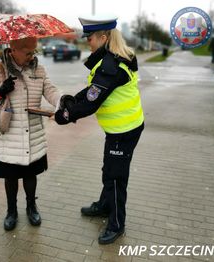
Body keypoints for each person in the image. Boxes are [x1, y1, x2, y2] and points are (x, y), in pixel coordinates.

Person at [55, 16, 144, 244]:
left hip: (123, 131)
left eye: (91, 38)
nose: (89, 42)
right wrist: (72, 100)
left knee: (115, 177)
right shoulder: (112, 58)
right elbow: (93, 89)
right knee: (109, 169)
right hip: (121, 128)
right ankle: (105, 206)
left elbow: (93, 101)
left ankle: (116, 224)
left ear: (104, 37)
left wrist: (66, 114)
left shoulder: (111, 66)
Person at [0, 37, 62, 230]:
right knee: (11, 176)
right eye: (28, 52)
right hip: (10, 136)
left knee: (30, 174)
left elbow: (50, 90)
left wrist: (62, 100)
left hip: (33, 133)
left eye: (34, 51)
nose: (32, 55)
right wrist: (0, 91)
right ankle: (11, 211)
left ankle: (32, 207)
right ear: (13, 49)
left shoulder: (38, 70)